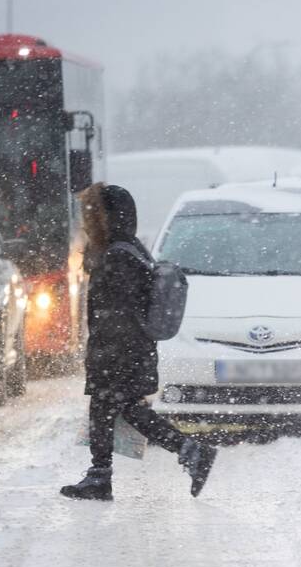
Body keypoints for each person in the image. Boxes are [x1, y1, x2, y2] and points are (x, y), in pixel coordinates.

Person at [61, 183, 217, 502]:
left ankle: (102, 477)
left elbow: (118, 314)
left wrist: (106, 355)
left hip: (120, 353)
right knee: (125, 410)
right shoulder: (127, 249)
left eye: (92, 215)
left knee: (109, 408)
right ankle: (188, 451)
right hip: (127, 352)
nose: (86, 223)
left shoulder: (119, 256)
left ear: (108, 218)